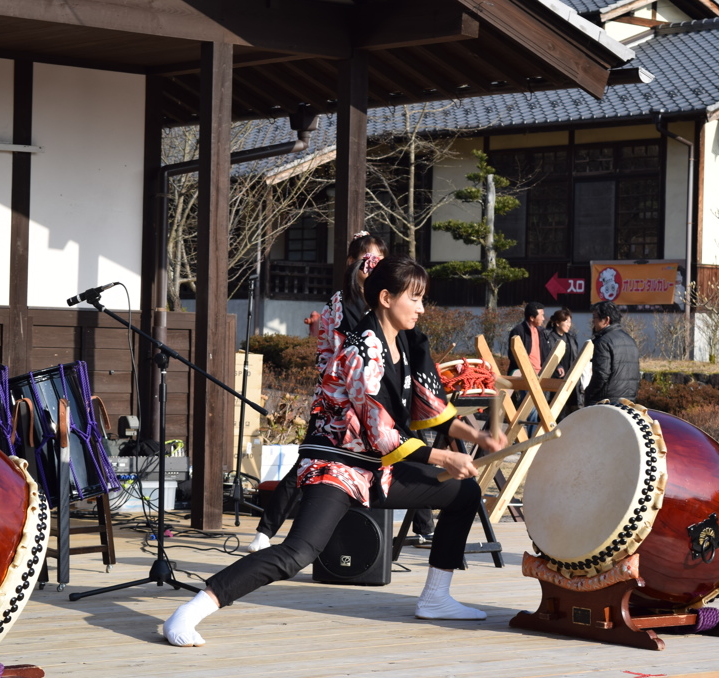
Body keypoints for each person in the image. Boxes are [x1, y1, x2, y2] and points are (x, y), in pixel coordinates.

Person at [164, 257, 508, 646]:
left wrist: (478, 439)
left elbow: (430, 410)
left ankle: (435, 598)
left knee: (465, 494)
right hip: (337, 466)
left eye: (423, 299)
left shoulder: (408, 345)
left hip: (378, 470)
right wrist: (446, 458)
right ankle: (191, 610)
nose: (422, 308)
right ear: (385, 297)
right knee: (298, 553)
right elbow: (381, 433)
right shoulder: (362, 351)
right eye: (415, 298)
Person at [247, 232, 389, 553]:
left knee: (389, 457)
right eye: (367, 261)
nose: (373, 268)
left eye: (379, 262)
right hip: (336, 406)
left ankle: (422, 525)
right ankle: (267, 531)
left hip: (363, 401)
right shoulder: (343, 302)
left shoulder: (372, 302)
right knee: (307, 466)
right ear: (353, 264)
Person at [584, 301, 639, 406]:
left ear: (606, 320)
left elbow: (601, 375)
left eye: (595, 317)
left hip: (606, 401)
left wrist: (589, 393)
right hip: (629, 400)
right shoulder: (630, 340)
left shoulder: (603, 342)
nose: (593, 321)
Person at [544, 308, 582, 413]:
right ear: (557, 323)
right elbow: (546, 356)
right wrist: (557, 366)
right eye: (566, 321)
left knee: (568, 412)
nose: (569, 324)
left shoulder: (571, 338)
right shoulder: (548, 337)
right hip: (554, 380)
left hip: (569, 380)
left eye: (570, 322)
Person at [506, 302, 549, 378]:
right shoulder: (518, 331)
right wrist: (527, 370)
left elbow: (546, 354)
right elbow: (513, 356)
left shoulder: (542, 332)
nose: (543, 318)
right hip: (524, 376)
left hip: (541, 375)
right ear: (532, 318)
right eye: (541, 315)